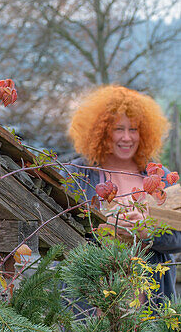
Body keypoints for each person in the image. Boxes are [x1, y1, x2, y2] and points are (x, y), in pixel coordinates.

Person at [67, 85, 180, 299]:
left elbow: (179, 237)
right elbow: (58, 232)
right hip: (90, 302)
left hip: (152, 304)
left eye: (134, 129)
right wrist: (102, 228)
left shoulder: (160, 176)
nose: (127, 138)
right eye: (119, 129)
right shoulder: (77, 174)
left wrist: (148, 234)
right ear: (100, 130)